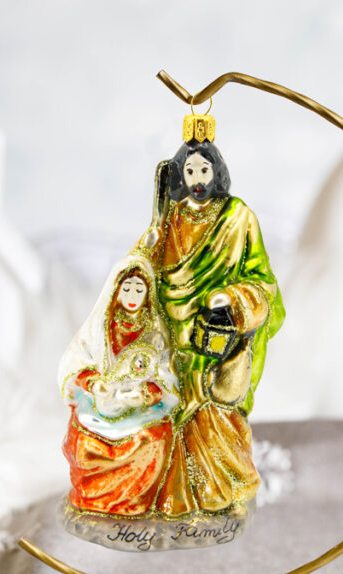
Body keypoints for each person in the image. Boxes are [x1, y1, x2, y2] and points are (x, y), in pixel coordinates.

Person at [132, 135, 285, 517]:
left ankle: (225, 492)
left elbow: (264, 283)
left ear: (217, 171)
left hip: (217, 336)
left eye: (204, 169)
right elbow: (145, 267)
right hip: (173, 337)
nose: (198, 178)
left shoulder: (238, 217)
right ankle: (177, 497)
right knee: (172, 414)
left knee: (217, 412)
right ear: (180, 175)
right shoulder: (171, 218)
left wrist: (231, 298)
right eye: (190, 170)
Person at [57, 256, 179, 517]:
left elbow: (167, 375)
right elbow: (77, 360)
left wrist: (145, 395)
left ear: (148, 293)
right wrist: (93, 383)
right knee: (83, 441)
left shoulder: (156, 332)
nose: (132, 296)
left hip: (139, 409)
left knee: (153, 439)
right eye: (127, 288)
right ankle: (93, 501)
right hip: (100, 404)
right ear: (115, 290)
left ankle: (134, 502)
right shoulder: (99, 327)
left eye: (139, 289)